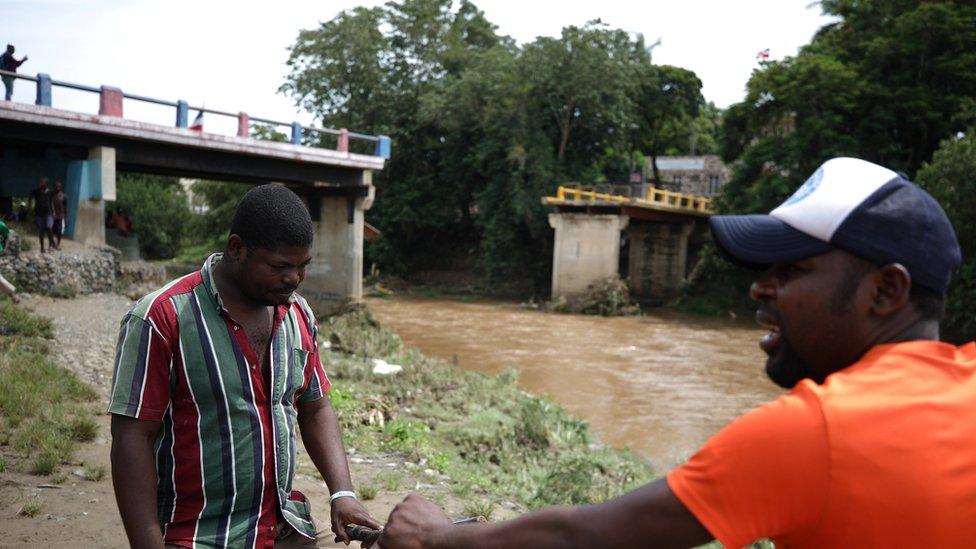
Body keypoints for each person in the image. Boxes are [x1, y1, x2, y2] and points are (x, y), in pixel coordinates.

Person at [376, 157, 975, 549]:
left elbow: (588, 537)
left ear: (887, 291)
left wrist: (440, 537)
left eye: (791, 270)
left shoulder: (818, 431)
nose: (759, 288)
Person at [108, 183, 381, 548]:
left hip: (282, 530)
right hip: (197, 535)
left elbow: (315, 409)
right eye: (279, 266)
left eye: (303, 266)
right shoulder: (161, 318)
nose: (294, 278)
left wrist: (341, 493)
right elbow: (132, 436)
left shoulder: (298, 314)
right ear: (237, 248)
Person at [28, 177, 53, 253]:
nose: (41, 184)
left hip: (48, 213)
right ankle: (42, 247)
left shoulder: (50, 192)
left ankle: (50, 245)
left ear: (46, 184)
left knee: (49, 227)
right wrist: (29, 206)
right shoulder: (36, 191)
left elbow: (52, 202)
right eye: (40, 183)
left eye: (43, 183)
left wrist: (54, 212)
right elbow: (30, 196)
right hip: (39, 214)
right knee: (41, 231)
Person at [0, 216, 19, 303]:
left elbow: (7, 236)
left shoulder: (1, 225)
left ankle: (13, 294)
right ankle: (13, 295)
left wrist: (5, 249)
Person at [50, 181, 67, 250]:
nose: (57, 188)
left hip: (60, 217)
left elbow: (66, 208)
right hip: (52, 217)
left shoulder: (64, 196)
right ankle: (51, 244)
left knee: (59, 232)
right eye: (56, 186)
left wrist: (66, 219)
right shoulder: (51, 195)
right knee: (51, 231)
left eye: (59, 187)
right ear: (54, 187)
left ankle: (58, 244)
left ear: (61, 187)